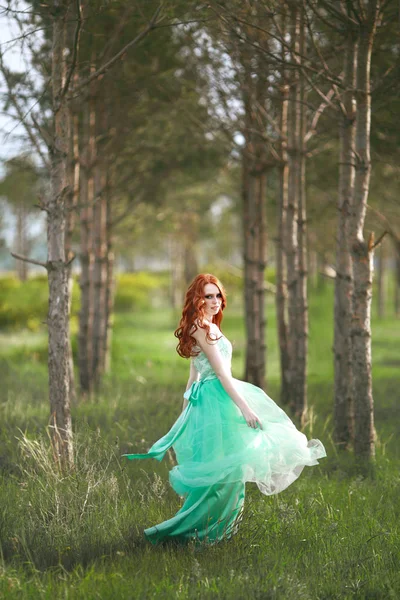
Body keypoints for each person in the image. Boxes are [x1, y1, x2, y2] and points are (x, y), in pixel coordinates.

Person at [122, 273, 327, 545]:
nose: (215, 300)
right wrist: (243, 408)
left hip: (220, 397)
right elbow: (217, 374)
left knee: (232, 468)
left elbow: (194, 374)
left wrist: (187, 413)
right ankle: (194, 534)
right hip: (216, 401)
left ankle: (221, 532)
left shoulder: (209, 325)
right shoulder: (199, 327)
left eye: (218, 295)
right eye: (208, 295)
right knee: (222, 472)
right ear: (197, 299)